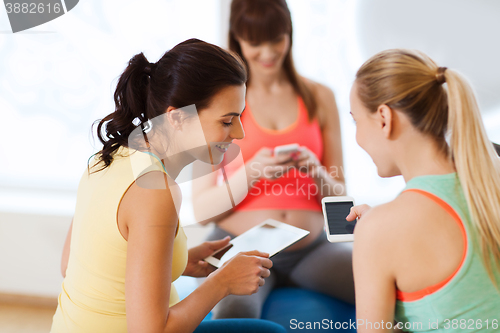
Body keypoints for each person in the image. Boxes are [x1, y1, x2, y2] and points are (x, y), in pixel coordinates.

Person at [50, 39, 287, 333]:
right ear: (176, 117)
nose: (239, 132)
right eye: (227, 121)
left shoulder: (106, 158)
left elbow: (71, 264)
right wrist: (222, 282)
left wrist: (177, 261)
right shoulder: (155, 192)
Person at [192, 0, 354, 319]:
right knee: (235, 314)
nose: (267, 53)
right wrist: (251, 172)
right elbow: (202, 212)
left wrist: (316, 172)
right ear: (237, 39)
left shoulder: (320, 97)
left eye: (276, 39)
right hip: (242, 247)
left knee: (383, 284)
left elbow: (342, 203)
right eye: (255, 42)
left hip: (311, 249)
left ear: (289, 35)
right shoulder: (216, 102)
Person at [347, 49, 500, 332]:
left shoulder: (378, 231)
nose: (357, 137)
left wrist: (379, 233)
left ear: (384, 118)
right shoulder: (492, 175)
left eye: (356, 121)